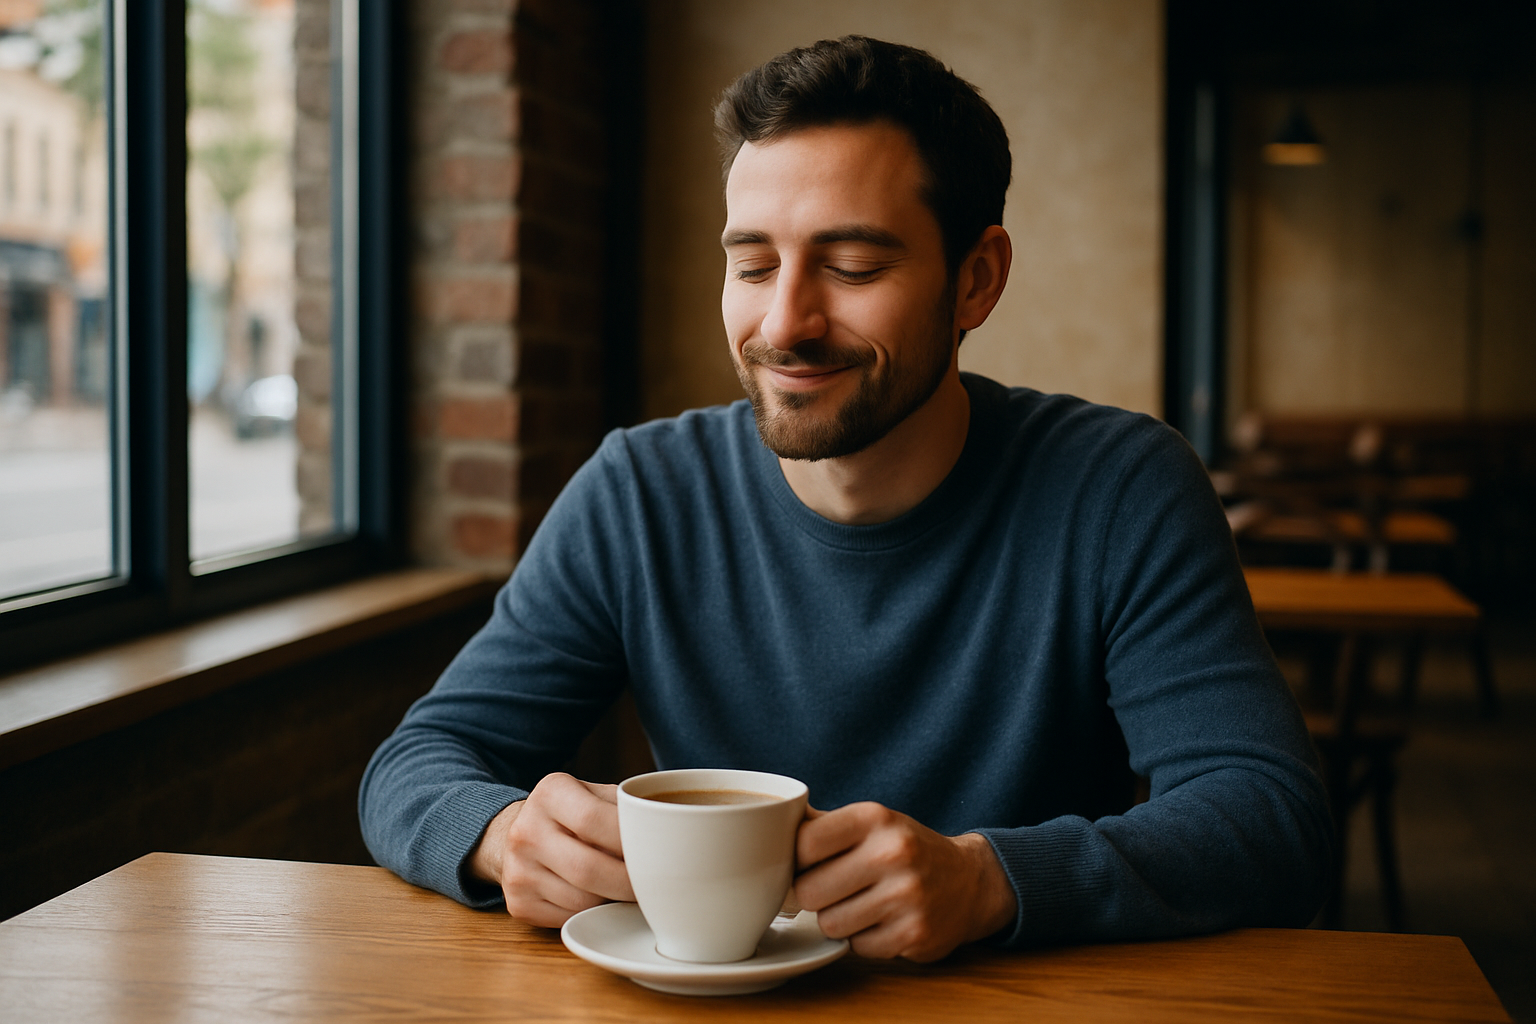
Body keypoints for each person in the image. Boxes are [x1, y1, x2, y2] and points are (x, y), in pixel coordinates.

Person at [360, 35, 1331, 962]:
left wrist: (990, 880)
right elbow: (418, 761)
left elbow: (1270, 814)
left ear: (976, 280)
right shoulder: (640, 492)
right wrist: (499, 834)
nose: (784, 321)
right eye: (751, 264)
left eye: (854, 266)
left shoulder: (1121, 488)